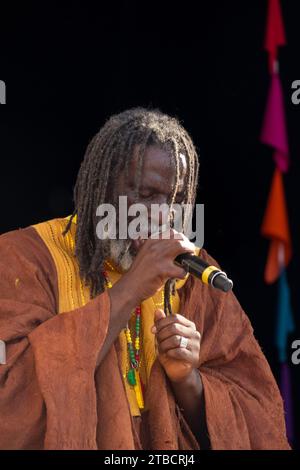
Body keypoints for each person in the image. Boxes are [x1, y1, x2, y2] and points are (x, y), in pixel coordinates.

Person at [0, 108, 290, 450]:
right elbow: (12, 397)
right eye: (146, 195)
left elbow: (260, 421)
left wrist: (189, 381)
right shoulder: (25, 256)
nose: (163, 215)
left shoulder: (194, 273)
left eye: (177, 200)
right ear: (100, 186)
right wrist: (133, 286)